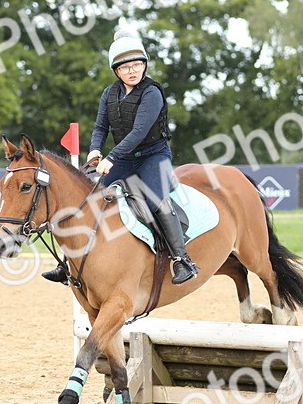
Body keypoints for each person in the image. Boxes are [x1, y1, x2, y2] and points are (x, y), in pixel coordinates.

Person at [42, 28, 200, 286]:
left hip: (153, 155)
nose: (133, 70)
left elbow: (139, 132)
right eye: (126, 67)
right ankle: (68, 261)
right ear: (116, 71)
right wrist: (95, 149)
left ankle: (182, 260)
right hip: (125, 158)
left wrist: (111, 157)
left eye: (138, 64)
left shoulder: (152, 93)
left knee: (155, 200)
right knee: (89, 202)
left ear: (144, 65)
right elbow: (101, 127)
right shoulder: (109, 94)